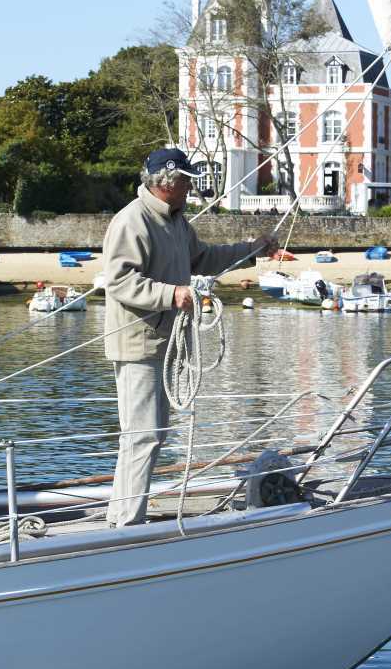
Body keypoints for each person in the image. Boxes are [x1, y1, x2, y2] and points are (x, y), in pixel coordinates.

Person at [102, 148, 277, 527]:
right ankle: (126, 524)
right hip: (138, 345)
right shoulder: (132, 221)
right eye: (186, 181)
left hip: (165, 344)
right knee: (142, 436)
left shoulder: (178, 222)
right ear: (166, 183)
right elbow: (118, 280)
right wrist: (172, 294)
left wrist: (252, 250)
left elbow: (204, 258)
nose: (190, 187)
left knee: (151, 435)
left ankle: (123, 515)